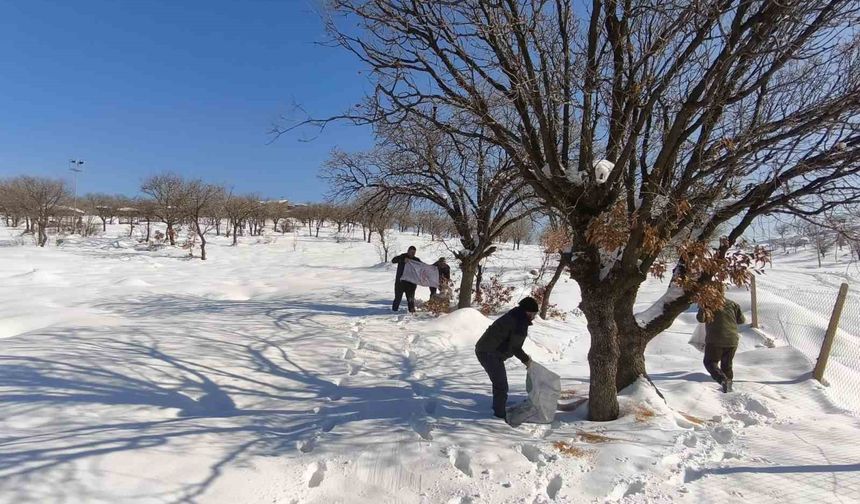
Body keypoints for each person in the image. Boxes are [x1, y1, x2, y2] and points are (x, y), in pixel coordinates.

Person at [475, 297, 540, 419]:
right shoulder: (519, 322)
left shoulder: (515, 315)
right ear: (527, 312)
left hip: (488, 350)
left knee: (499, 383)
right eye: (534, 314)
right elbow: (515, 347)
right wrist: (526, 360)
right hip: (489, 353)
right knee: (501, 385)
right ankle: (499, 416)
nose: (534, 316)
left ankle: (498, 408)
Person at [697, 289, 745, 393]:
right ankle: (728, 386)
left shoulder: (708, 305)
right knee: (727, 365)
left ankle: (723, 380)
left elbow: (701, 319)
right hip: (732, 340)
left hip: (715, 340)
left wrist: (702, 306)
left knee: (710, 362)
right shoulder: (733, 304)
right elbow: (741, 320)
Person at [391, 246, 422, 313]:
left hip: (411, 284)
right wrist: (403, 260)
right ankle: (393, 312)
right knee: (398, 298)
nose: (413, 254)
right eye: (411, 252)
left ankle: (412, 312)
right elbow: (393, 260)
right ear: (408, 251)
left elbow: (423, 267)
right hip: (400, 283)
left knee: (411, 299)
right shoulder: (402, 256)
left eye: (414, 252)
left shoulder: (416, 260)